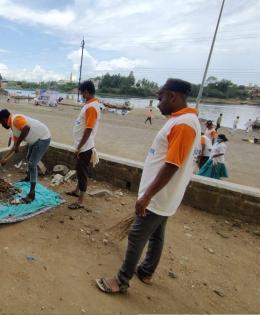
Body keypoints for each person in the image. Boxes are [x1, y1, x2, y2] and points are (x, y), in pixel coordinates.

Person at [96, 78, 200, 295]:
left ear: (172, 96)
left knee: (136, 235)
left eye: (160, 97)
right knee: (157, 234)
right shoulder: (181, 120)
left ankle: (121, 280)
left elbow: (172, 165)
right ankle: (146, 271)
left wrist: (147, 196)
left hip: (158, 196)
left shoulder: (184, 124)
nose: (158, 102)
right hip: (164, 197)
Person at [0, 109, 51, 203]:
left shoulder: (15, 119)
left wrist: (18, 144)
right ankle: (28, 178)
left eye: (2, 123)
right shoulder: (13, 128)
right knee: (28, 157)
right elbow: (14, 147)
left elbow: (26, 128)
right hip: (34, 140)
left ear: (5, 119)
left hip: (43, 138)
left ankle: (32, 193)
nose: (2, 125)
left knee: (32, 164)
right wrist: (5, 158)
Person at [66, 80, 102, 209]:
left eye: (81, 93)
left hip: (85, 147)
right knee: (79, 170)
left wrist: (79, 147)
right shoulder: (90, 104)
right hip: (83, 146)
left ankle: (80, 201)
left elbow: (89, 129)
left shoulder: (92, 107)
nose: (81, 95)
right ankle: (76, 192)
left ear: (86, 92)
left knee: (82, 173)